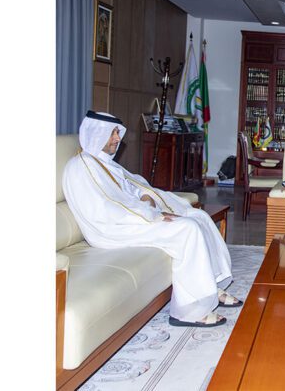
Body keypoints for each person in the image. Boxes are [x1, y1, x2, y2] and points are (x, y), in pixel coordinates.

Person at [63, 111, 242, 328]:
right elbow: (106, 210)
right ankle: (190, 310)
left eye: (117, 132)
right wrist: (153, 215)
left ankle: (211, 286)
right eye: (113, 133)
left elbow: (132, 188)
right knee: (187, 229)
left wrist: (145, 198)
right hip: (112, 230)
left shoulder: (104, 163)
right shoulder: (81, 167)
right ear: (96, 134)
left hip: (133, 219)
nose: (118, 138)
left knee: (198, 216)